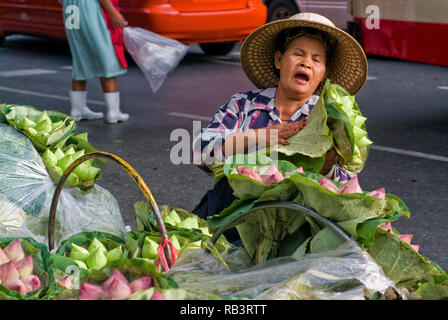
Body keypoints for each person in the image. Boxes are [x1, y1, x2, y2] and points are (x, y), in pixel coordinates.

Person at [191, 13, 368, 243]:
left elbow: (349, 185)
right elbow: (198, 150)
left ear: (323, 73)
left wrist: (327, 168)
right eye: (298, 54)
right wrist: (261, 137)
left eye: (317, 59)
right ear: (278, 60)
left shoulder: (331, 119)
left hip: (297, 236)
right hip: (230, 224)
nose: (306, 62)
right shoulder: (243, 105)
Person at [63, 0, 129, 124]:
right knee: (105, 54)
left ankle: (78, 109)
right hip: (89, 7)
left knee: (79, 57)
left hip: (70, 8)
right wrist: (114, 14)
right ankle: (113, 112)